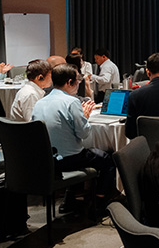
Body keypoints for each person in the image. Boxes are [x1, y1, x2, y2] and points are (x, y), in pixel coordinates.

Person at [31, 63, 116, 211]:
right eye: (78, 80)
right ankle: (99, 202)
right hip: (68, 160)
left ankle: (69, 199)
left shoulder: (40, 102)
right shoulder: (71, 102)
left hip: (45, 160)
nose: (79, 84)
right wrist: (85, 117)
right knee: (108, 159)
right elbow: (83, 133)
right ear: (70, 82)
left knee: (77, 149)